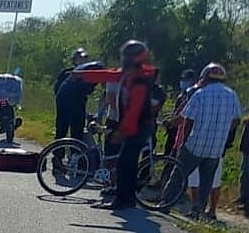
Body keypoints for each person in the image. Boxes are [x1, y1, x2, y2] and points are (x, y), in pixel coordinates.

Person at [74, 40, 157, 210]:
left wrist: (122, 131)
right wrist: (83, 75)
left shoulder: (140, 79)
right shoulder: (129, 73)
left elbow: (134, 111)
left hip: (138, 126)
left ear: (134, 57)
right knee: (127, 162)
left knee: (125, 163)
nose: (124, 59)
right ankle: (128, 198)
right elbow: (110, 75)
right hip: (134, 125)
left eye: (127, 55)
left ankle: (123, 200)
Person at [163, 63, 241, 218]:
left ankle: (165, 203)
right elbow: (236, 121)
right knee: (207, 181)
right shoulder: (232, 95)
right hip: (216, 148)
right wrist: (222, 131)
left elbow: (188, 120)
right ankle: (197, 211)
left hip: (196, 144)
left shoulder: (200, 94)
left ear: (205, 77)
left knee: (179, 174)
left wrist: (183, 142)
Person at [163, 69, 197, 156]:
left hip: (183, 128)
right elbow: (176, 112)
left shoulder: (194, 96)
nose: (183, 82)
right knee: (169, 150)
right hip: (174, 129)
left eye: (186, 80)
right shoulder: (181, 96)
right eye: (182, 79)